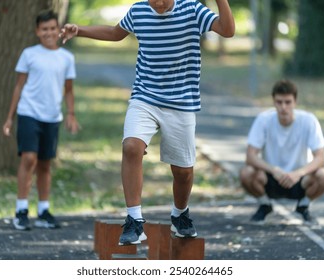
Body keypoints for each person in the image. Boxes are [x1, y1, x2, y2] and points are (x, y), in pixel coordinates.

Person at [60, 0, 235, 245]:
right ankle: (134, 220)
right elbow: (114, 33)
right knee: (131, 146)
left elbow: (227, 30)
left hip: (181, 102)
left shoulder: (193, 10)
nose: (159, 3)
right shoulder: (139, 11)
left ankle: (180, 213)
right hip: (145, 96)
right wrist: (80, 29)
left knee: (183, 172)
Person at [2, 9, 80, 231]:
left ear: (59, 29)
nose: (49, 32)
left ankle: (44, 210)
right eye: (44, 29)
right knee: (29, 159)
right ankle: (21, 210)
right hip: (29, 113)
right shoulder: (29, 54)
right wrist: (9, 117)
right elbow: (18, 86)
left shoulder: (67, 58)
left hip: (52, 117)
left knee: (45, 164)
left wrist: (71, 114)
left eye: (53, 28)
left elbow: (69, 90)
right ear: (37, 31)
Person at [239, 79, 324, 225]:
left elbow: (320, 158)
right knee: (246, 173)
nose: (283, 107)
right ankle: (265, 205)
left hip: (300, 180)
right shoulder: (263, 120)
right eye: (279, 102)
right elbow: (250, 156)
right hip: (271, 178)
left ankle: (304, 205)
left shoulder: (308, 120)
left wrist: (299, 173)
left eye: (288, 102)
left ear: (295, 102)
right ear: (273, 102)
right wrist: (273, 169)